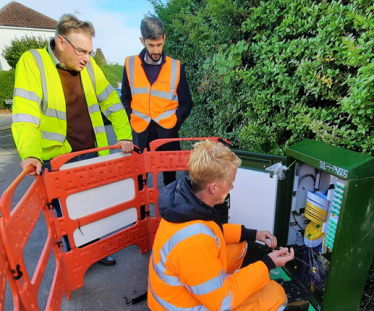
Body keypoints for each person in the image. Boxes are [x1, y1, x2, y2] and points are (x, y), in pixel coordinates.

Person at [11, 14, 133, 266]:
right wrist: (30, 153)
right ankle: (75, 261)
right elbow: (25, 116)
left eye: (89, 52)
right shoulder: (33, 62)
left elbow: (112, 103)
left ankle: (95, 250)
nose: (87, 58)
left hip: (89, 151)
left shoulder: (89, 67)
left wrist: (124, 137)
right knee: (65, 214)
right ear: (61, 42)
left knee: (92, 206)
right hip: (56, 159)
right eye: (81, 51)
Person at [148, 140, 295, 311]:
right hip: (181, 307)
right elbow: (222, 302)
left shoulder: (184, 203)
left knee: (240, 247)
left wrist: (253, 234)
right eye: (230, 182)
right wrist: (266, 264)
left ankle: (223, 282)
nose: (232, 187)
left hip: (178, 290)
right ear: (214, 187)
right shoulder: (195, 243)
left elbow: (213, 232)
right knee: (274, 294)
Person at [121, 16, 193, 186]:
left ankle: (167, 212)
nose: (156, 50)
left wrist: (175, 122)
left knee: (170, 181)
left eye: (159, 45)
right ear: (142, 41)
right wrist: (131, 118)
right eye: (151, 45)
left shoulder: (176, 67)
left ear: (164, 39)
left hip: (168, 133)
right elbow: (125, 97)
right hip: (140, 133)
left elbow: (187, 103)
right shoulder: (130, 64)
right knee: (139, 179)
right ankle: (142, 212)